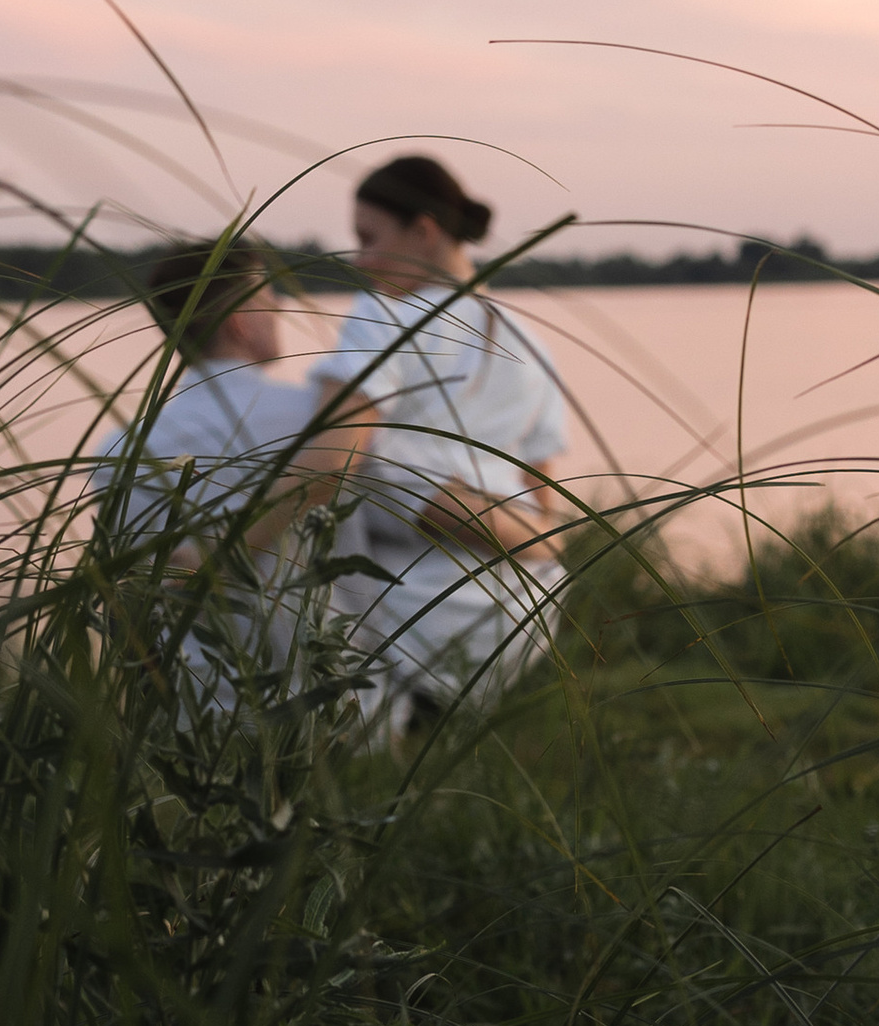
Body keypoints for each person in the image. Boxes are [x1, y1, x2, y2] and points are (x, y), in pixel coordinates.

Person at [317, 153, 569, 735]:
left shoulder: (383, 316)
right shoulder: (530, 340)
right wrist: (532, 543)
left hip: (414, 619)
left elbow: (329, 463)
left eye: (369, 238)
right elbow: (545, 494)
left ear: (424, 231)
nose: (360, 261)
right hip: (524, 615)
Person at [91, 237, 366, 713]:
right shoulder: (318, 422)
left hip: (195, 709)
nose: (280, 311)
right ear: (239, 322)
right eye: (269, 300)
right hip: (329, 699)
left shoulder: (115, 451)